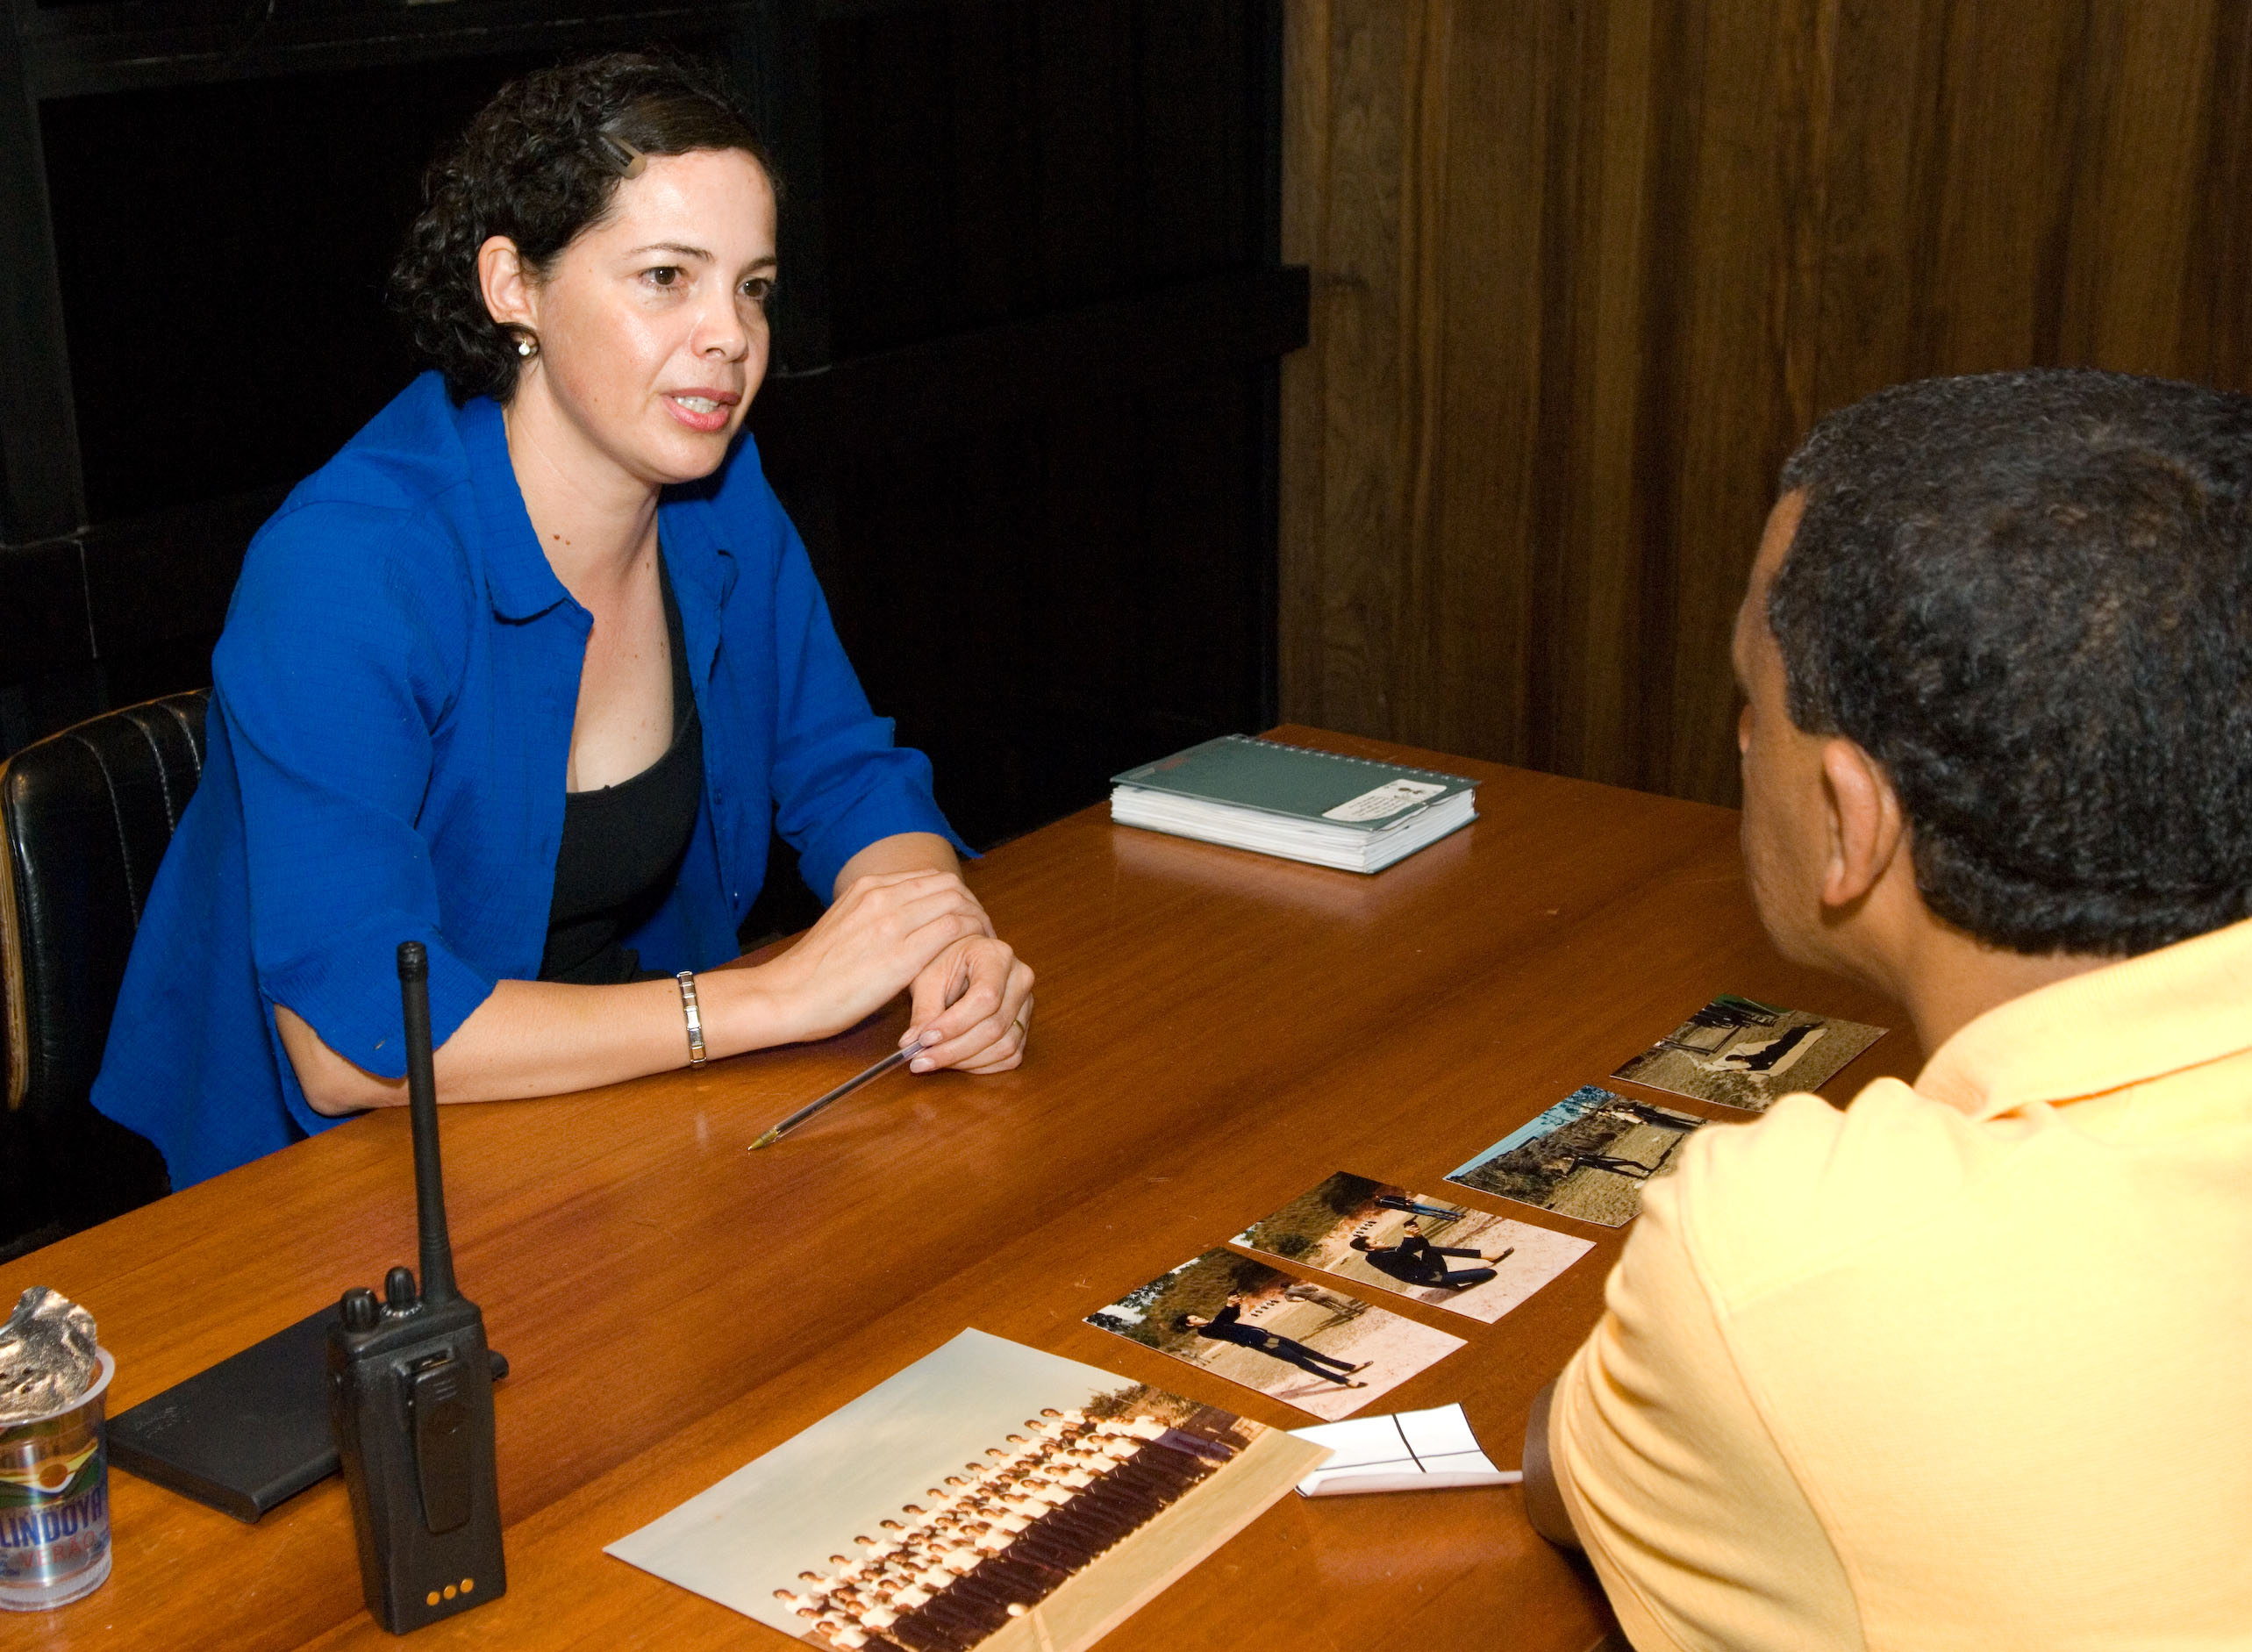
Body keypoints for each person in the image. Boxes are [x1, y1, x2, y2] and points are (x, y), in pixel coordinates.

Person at [90, 54, 1033, 1187]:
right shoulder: (345, 568)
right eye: (666, 277)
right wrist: (769, 998)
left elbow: (845, 775)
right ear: (513, 287)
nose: (730, 335)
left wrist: (939, 934)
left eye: (752, 286)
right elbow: (353, 1045)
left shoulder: (718, 494)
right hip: (319, 1187)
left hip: (616, 1115)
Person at [1522, 369, 2252, 1650]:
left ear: (1849, 821)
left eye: (1753, 701)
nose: (1741, 739)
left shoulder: (1789, 1253)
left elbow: (1555, 1470)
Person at [1176, 1297, 1369, 1386]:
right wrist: (1228, 1305)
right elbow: (1220, 1322)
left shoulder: (1214, 1323)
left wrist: (1235, 1304)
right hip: (1263, 1343)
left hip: (1269, 1337)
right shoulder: (1206, 1331)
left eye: (1197, 1316)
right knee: (1302, 1361)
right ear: (1189, 1325)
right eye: (1195, 1319)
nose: (1199, 1317)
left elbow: (1231, 1316)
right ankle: (1344, 1381)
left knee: (1311, 1353)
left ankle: (1349, 1367)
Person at [1348, 1221, 1505, 1288]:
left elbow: (1424, 1247)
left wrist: (1417, 1235)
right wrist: (1408, 1235)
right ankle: (1448, 1283)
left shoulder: (1382, 1250)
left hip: (1430, 1270)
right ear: (1369, 1249)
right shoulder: (1377, 1258)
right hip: (1430, 1277)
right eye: (1376, 1242)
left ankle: (1487, 1255)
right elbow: (1404, 1251)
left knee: (1432, 1250)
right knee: (1489, 1273)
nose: (1381, 1241)